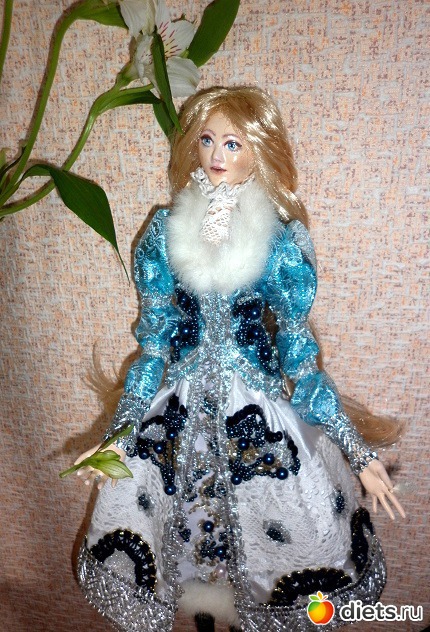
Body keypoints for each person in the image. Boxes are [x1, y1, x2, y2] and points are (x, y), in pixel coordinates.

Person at [74, 86, 405, 632]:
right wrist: (119, 432)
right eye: (207, 140)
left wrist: (357, 451)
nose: (216, 154)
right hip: (177, 417)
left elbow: (301, 361)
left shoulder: (278, 243)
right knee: (183, 552)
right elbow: (153, 349)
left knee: (265, 549)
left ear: (259, 151)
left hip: (257, 424)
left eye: (233, 143)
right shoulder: (164, 235)